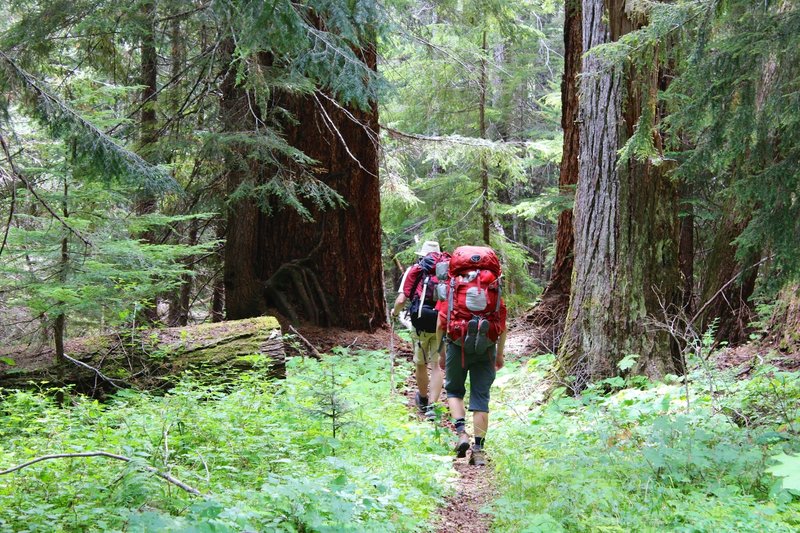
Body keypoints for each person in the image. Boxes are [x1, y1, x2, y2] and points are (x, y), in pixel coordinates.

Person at [435, 252, 507, 467]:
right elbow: (503, 326)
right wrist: (500, 353)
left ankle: (461, 433)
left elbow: (440, 324)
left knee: (455, 391)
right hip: (486, 348)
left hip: (457, 345)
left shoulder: (453, 290)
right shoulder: (492, 289)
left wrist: (441, 353)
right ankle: (479, 451)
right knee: (481, 399)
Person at [390, 240, 445, 420]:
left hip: (420, 323)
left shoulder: (415, 270)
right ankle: (433, 406)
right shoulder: (447, 272)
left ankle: (422, 399)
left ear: (422, 255)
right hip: (441, 322)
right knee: (437, 365)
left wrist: (394, 312)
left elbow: (401, 300)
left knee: (421, 363)